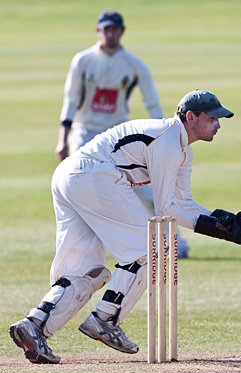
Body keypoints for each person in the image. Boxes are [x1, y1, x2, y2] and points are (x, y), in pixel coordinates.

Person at [9, 90, 241, 364]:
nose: (218, 124)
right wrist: (216, 229)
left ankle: (34, 325)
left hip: (71, 174)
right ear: (190, 117)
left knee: (88, 271)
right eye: (212, 117)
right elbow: (166, 209)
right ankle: (106, 320)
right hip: (94, 174)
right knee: (149, 251)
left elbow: (184, 203)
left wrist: (225, 225)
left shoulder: (182, 151)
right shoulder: (168, 140)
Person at [54, 10, 189, 258]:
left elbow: (153, 104)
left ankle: (176, 240)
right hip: (85, 133)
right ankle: (83, 251)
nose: (110, 33)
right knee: (79, 188)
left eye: (114, 29)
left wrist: (167, 137)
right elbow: (70, 101)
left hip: (117, 135)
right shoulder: (83, 61)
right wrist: (63, 138)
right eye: (106, 29)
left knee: (148, 192)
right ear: (98, 31)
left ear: (122, 31)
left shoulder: (134, 65)